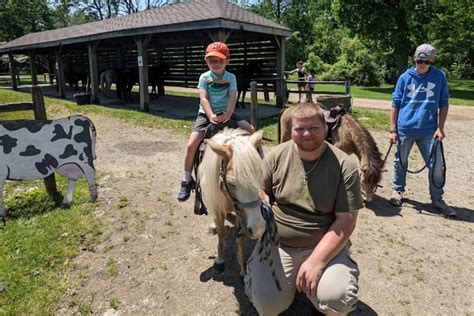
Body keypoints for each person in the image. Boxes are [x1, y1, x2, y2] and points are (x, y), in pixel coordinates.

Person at [245, 102, 363, 315]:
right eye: (299, 129)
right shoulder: (275, 156)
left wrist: (317, 261)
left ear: (325, 128)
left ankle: (325, 277)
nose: (306, 134)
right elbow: (260, 192)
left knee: (336, 301)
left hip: (322, 243)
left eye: (314, 128)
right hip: (279, 243)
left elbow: (346, 220)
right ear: (291, 131)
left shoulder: (345, 165)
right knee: (266, 305)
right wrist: (258, 198)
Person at [177, 42, 256, 202]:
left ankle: (260, 166)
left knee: (252, 131)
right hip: (206, 114)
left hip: (227, 112)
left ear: (227, 61)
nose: (216, 63)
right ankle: (186, 179)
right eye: (211, 60)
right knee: (191, 144)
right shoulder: (204, 77)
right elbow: (203, 98)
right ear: (206, 61)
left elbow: (233, 96)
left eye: (219, 60)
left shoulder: (231, 77)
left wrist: (228, 113)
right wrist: (211, 114)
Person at [389, 43, 456, 217]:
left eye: (426, 61)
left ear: (432, 61)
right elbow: (395, 103)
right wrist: (392, 129)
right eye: (419, 60)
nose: (422, 64)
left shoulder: (439, 76)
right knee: (400, 161)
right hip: (405, 128)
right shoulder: (405, 77)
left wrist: (440, 128)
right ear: (414, 58)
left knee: (437, 165)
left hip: (429, 130)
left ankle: (437, 199)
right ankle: (397, 191)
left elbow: (444, 103)